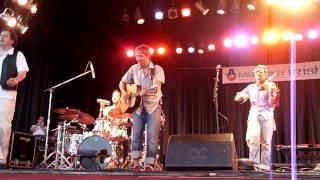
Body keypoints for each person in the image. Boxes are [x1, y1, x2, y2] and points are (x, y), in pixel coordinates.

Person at [119, 44, 165, 171]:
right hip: (138, 107)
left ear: (148, 56)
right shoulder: (134, 68)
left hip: (153, 106)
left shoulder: (157, 69)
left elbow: (156, 88)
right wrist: (124, 93)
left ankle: (149, 163)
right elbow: (122, 82)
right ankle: (135, 163)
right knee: (136, 134)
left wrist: (142, 92)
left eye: (140, 56)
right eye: (136, 56)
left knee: (152, 135)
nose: (137, 59)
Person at [234, 65, 280, 171]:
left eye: (261, 72)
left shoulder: (271, 84)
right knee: (254, 141)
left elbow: (275, 102)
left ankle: (265, 166)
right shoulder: (251, 87)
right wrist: (241, 97)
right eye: (256, 73)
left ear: (266, 74)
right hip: (254, 115)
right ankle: (254, 165)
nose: (258, 74)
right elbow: (237, 97)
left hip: (267, 115)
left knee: (266, 142)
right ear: (254, 75)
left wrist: (271, 92)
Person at [0, 28, 29, 167]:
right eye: (0, 35)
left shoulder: (18, 55)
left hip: (6, 95)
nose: (1, 38)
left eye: (5, 36)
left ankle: (1, 158)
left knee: (3, 127)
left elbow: (23, 72)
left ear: (12, 40)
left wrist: (17, 79)